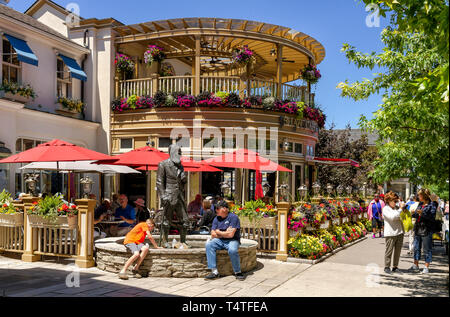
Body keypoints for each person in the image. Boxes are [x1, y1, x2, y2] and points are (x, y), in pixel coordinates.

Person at [205, 200, 245, 281]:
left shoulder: (234, 217)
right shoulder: (216, 218)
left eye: (218, 208)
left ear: (224, 209)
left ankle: (238, 272)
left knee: (233, 250)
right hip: (220, 240)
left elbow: (231, 235)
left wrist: (219, 232)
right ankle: (214, 271)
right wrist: (224, 232)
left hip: (232, 240)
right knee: (209, 244)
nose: (216, 210)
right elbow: (212, 234)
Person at [409, 188, 439, 274]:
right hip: (418, 227)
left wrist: (422, 213)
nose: (418, 196)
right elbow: (416, 215)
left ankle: (426, 267)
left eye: (419, 195)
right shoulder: (421, 204)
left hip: (427, 229)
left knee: (426, 248)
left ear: (424, 196)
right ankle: (416, 265)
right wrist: (413, 213)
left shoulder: (432, 205)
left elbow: (432, 217)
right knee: (416, 247)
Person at [382, 191, 405, 274]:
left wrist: (403, 209)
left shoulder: (396, 208)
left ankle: (395, 266)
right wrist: (400, 209)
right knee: (389, 251)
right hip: (390, 233)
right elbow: (393, 217)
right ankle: (387, 267)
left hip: (399, 232)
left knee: (398, 251)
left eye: (396, 201)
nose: (395, 203)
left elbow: (401, 216)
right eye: (394, 201)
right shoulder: (385, 209)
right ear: (389, 200)